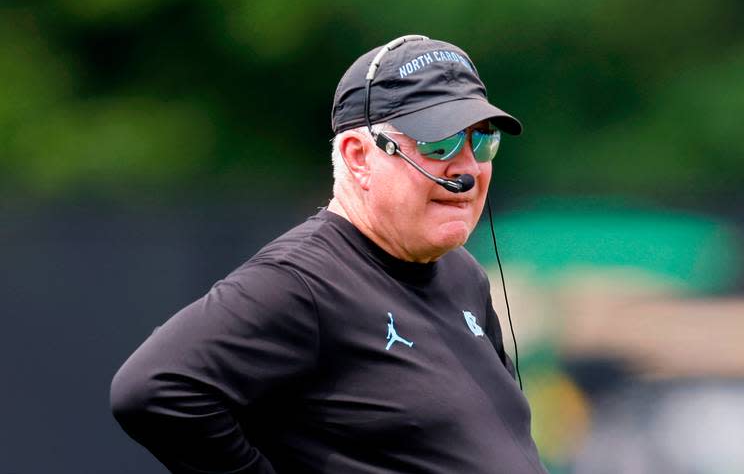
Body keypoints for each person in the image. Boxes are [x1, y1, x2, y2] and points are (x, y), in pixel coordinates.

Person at [110, 34, 548, 473]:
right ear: (358, 156)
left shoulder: (462, 276)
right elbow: (152, 389)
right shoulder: (301, 281)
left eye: (482, 141)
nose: (468, 168)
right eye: (440, 144)